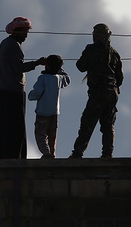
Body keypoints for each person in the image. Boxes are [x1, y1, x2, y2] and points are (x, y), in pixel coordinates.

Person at [69, 23, 124, 158]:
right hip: (112, 92)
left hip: (98, 92)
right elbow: (120, 77)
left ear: (97, 36)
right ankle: (107, 153)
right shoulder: (114, 53)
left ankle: (78, 152)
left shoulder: (91, 49)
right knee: (108, 125)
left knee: (88, 121)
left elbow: (80, 66)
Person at [0, 16, 46, 159]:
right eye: (25, 32)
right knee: (15, 126)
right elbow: (19, 67)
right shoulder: (14, 45)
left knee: (4, 125)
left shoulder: (4, 43)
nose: (26, 35)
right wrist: (37, 63)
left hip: (3, 89)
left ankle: (4, 155)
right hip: (14, 92)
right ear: (17, 30)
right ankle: (15, 156)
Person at [28, 55, 70, 158]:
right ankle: (52, 153)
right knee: (52, 136)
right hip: (54, 112)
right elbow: (67, 79)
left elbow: (37, 93)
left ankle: (46, 153)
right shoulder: (59, 78)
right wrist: (60, 69)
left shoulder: (43, 78)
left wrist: (30, 96)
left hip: (42, 112)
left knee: (41, 134)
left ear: (46, 66)